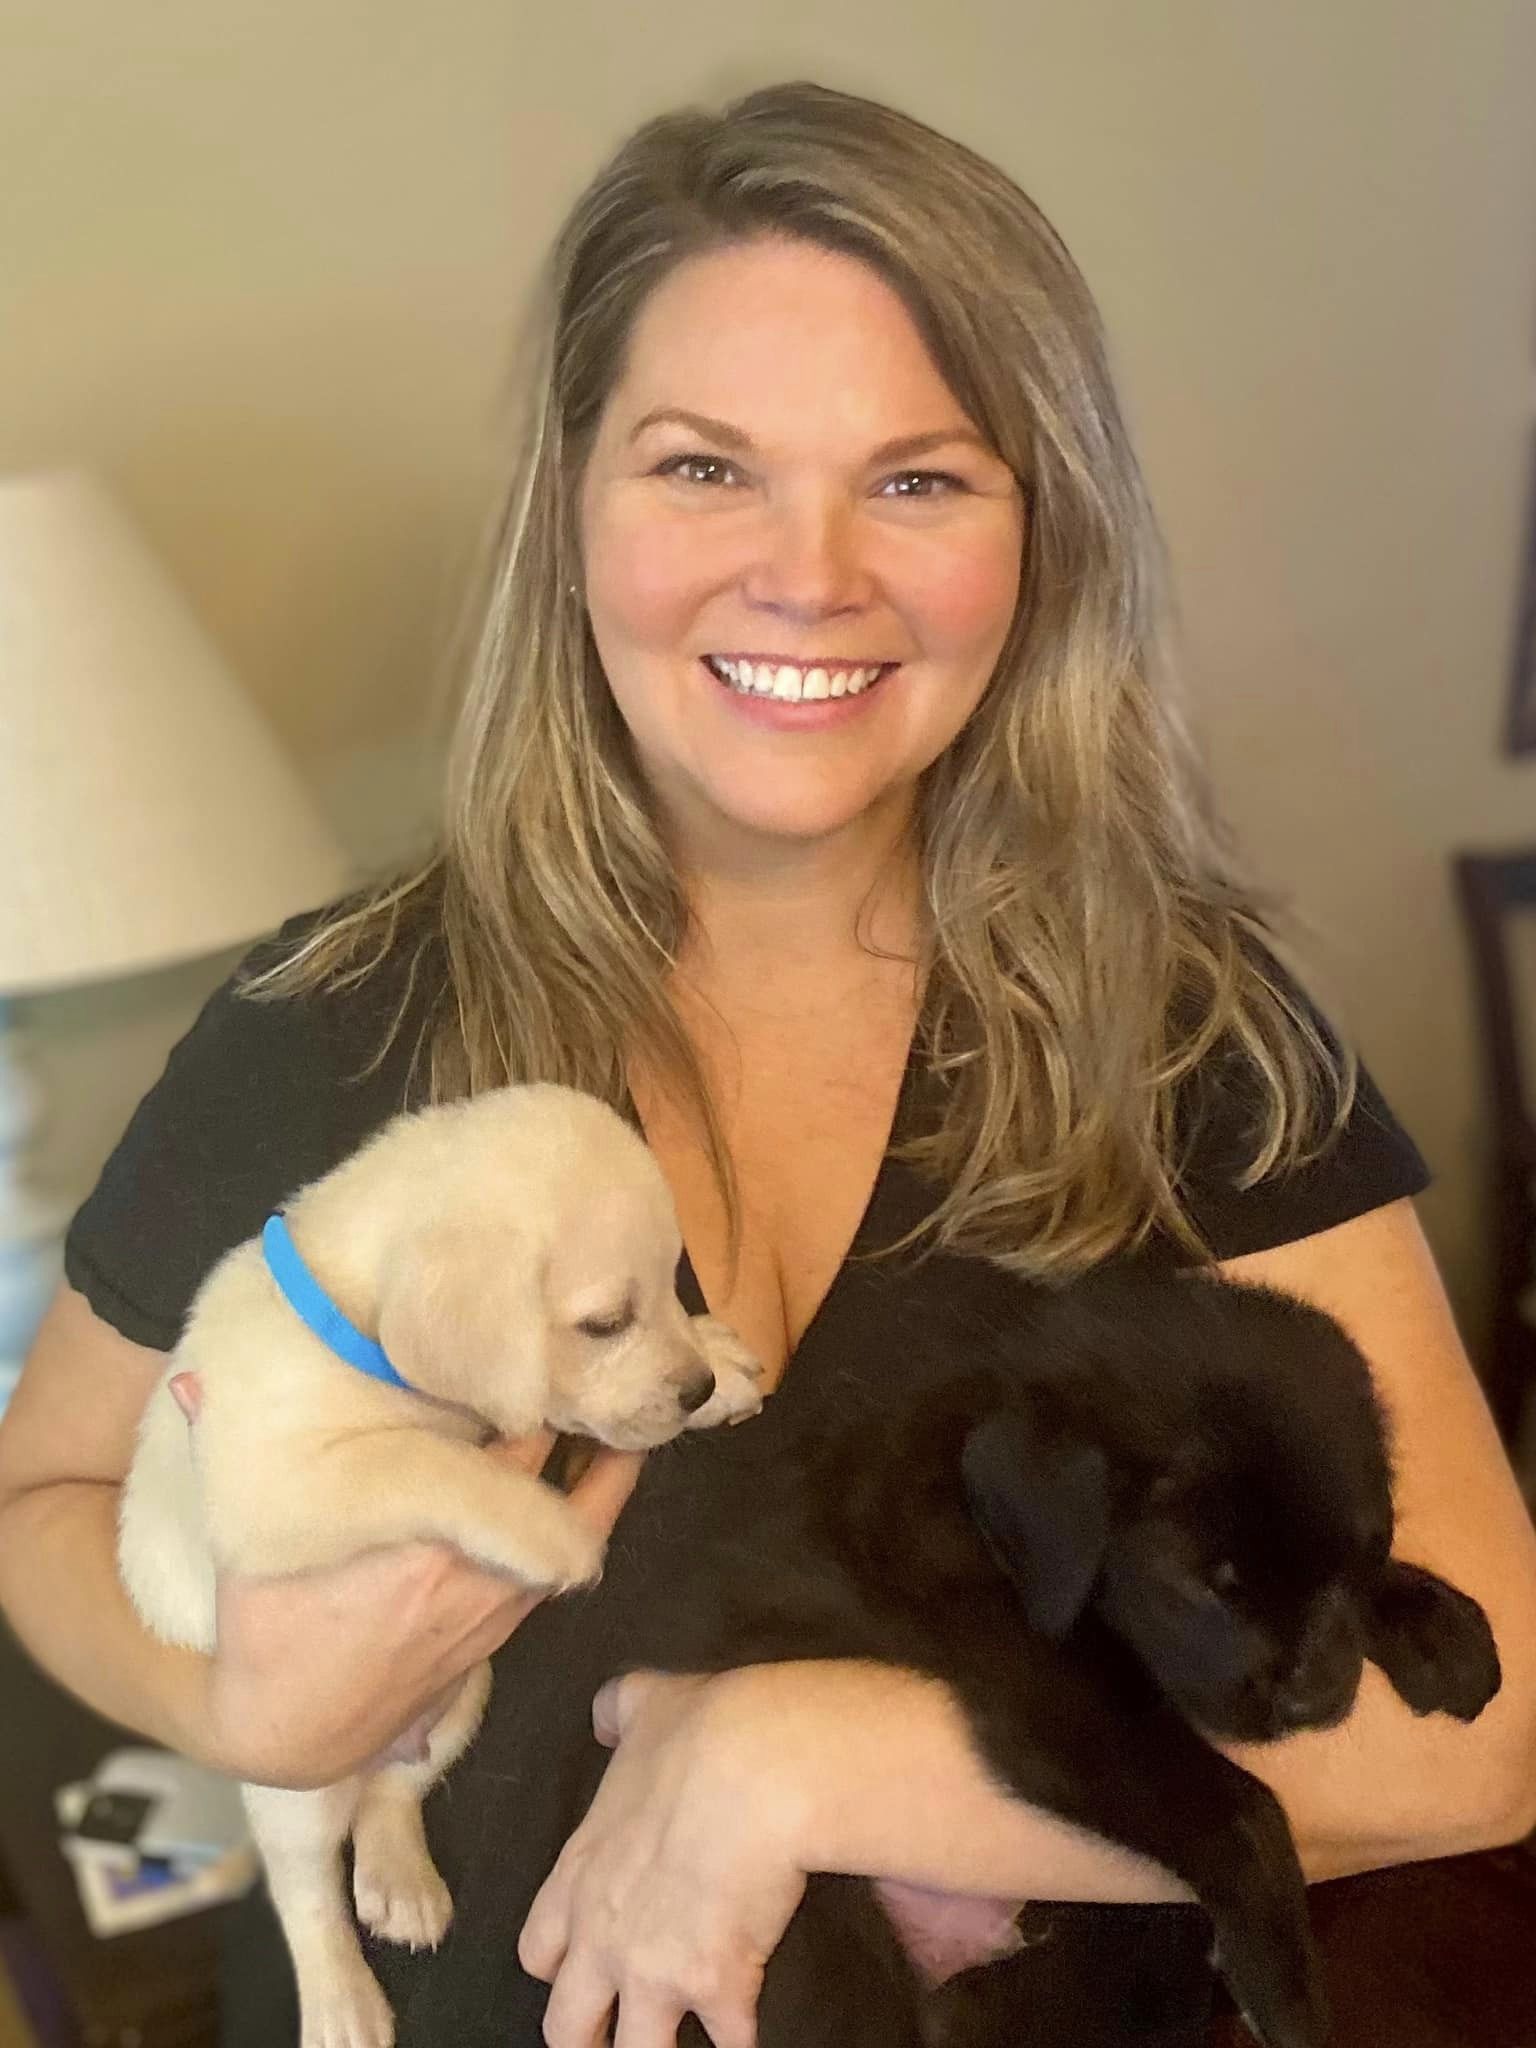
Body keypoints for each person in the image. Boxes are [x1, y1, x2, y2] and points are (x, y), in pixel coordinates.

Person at [1, 78, 1532, 2048]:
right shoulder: (332, 1031)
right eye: (705, 467)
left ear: (1038, 528)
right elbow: (41, 1490)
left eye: (918, 477)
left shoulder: (1192, 1032)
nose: (809, 572)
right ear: (573, 509)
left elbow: (1467, 1745)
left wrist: (802, 1756)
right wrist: (236, 1704)